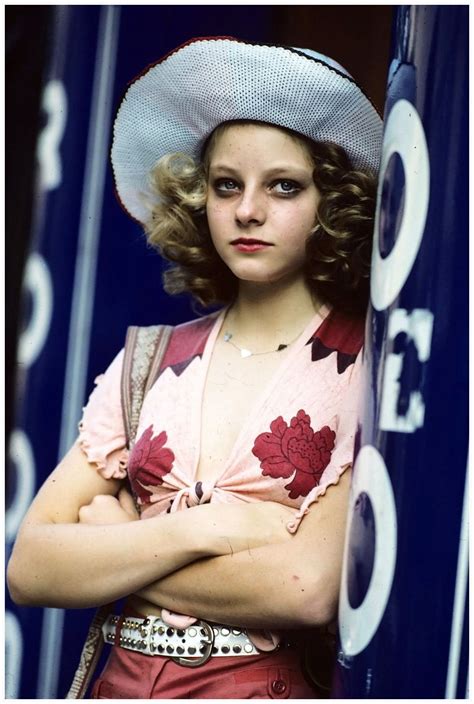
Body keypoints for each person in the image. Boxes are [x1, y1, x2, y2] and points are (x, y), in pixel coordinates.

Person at [7, 37, 382, 699]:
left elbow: (305, 588)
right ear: (199, 198)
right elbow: (31, 567)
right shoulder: (150, 359)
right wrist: (205, 528)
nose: (247, 211)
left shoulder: (364, 368)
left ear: (331, 202)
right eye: (226, 185)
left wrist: (124, 543)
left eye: (284, 186)